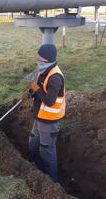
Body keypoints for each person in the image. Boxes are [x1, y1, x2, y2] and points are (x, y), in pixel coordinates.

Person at [28, 44, 66, 182]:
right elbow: (39, 89)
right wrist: (31, 92)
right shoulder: (43, 71)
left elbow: (50, 101)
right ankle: (38, 169)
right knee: (33, 144)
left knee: (46, 151)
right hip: (39, 116)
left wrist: (36, 89)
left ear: (47, 59)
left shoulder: (55, 77)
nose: (37, 59)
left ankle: (52, 181)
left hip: (49, 121)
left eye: (40, 57)